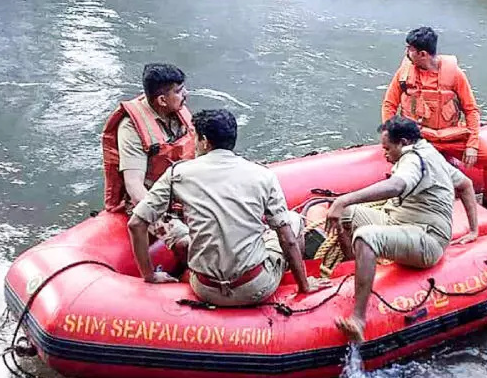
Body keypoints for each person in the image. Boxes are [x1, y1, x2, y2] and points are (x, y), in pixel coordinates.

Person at [127, 109, 329, 305]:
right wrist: (305, 286)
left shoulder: (177, 174)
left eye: (196, 139)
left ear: (204, 141)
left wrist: (150, 275)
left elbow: (136, 224)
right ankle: (292, 283)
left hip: (204, 289)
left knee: (183, 231)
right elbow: (287, 239)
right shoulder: (262, 175)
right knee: (292, 220)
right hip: (255, 287)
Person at [325, 116, 478, 342]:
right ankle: (354, 267)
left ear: (404, 143)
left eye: (387, 148)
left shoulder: (414, 159)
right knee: (346, 214)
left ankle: (358, 318)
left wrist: (343, 199)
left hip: (426, 239)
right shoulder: (428, 151)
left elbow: (397, 185)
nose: (384, 154)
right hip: (398, 221)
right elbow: (466, 184)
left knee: (365, 237)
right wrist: (473, 229)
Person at [382, 26, 487, 218]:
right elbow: (389, 105)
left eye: (409, 49)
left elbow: (471, 110)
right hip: (420, 138)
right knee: (412, 171)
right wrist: (393, 138)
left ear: (423, 54)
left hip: (451, 135)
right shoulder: (404, 74)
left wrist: (472, 145)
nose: (406, 53)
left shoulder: (455, 75)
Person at [102, 63, 195, 253]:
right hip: (155, 199)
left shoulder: (177, 111)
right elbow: (134, 186)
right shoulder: (131, 129)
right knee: (187, 242)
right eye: (179, 91)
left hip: (183, 188)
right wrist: (161, 218)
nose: (186, 93)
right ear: (162, 100)